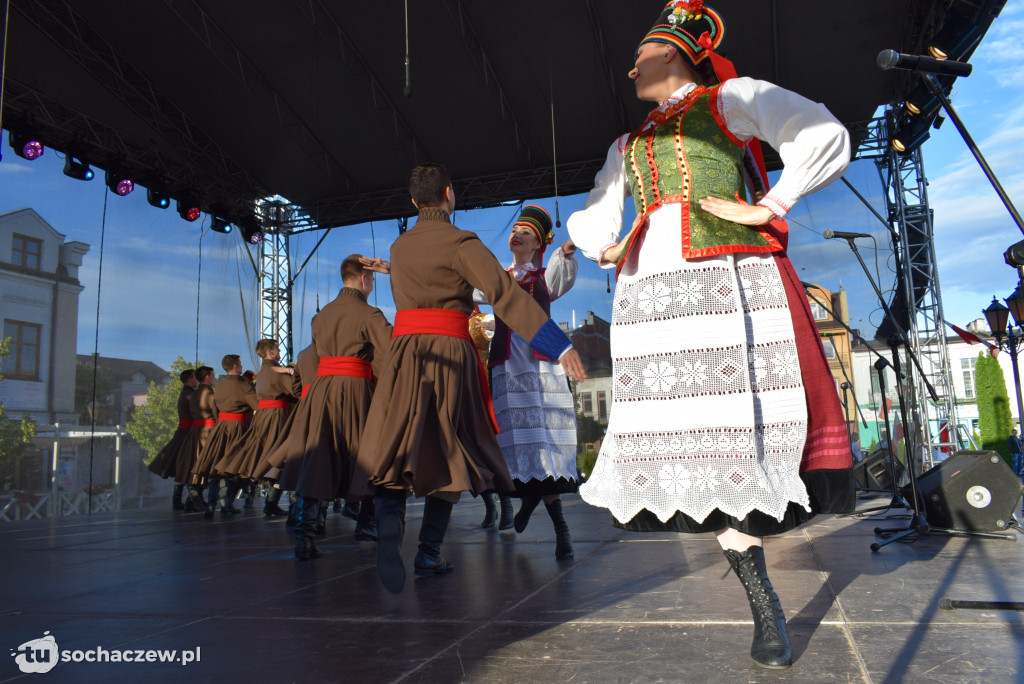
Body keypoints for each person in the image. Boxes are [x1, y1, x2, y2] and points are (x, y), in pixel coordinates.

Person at [566, 1, 854, 669]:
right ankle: (762, 598)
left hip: (727, 281)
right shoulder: (628, 145)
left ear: (671, 51)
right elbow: (597, 209)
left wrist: (773, 202)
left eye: (640, 52)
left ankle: (764, 607)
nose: (630, 64)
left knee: (740, 435)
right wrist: (604, 243)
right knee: (698, 455)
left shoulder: (731, 99)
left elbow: (820, 132)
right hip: (652, 298)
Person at [351, 162, 587, 595]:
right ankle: (428, 550)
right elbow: (503, 294)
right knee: (451, 448)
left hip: (404, 354)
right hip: (447, 352)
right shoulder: (461, 242)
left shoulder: (401, 247)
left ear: (412, 202)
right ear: (448, 194)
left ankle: (389, 519)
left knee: (394, 441)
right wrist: (559, 343)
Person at [475, 204, 580, 558]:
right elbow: (465, 285)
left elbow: (561, 276)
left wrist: (564, 252)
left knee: (546, 441)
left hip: (540, 369)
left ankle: (560, 529)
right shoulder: (498, 278)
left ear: (538, 244)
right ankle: (533, 502)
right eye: (514, 231)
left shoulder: (544, 278)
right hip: (507, 368)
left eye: (526, 233)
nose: (516, 235)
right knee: (520, 445)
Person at [273, 256, 393, 559]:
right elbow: (393, 350)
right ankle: (366, 525)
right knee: (367, 455)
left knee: (317, 459)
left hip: (322, 392)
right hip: (355, 391)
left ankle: (305, 536)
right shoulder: (369, 313)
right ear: (365, 278)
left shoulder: (322, 316)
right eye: (373, 280)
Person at [213, 339, 300, 516]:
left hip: (263, 417)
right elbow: (296, 390)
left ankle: (236, 497)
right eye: (276, 348)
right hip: (276, 417)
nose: (279, 350)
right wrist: (295, 371)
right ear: (269, 351)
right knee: (281, 457)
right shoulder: (276, 371)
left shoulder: (262, 373)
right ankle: (282, 504)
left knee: (260, 458)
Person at [193, 354, 259, 517]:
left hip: (220, 429)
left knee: (216, 468)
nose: (242, 366)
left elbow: (215, 409)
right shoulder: (243, 386)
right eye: (240, 363)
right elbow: (257, 404)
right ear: (236, 366)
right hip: (236, 428)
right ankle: (226, 502)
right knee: (234, 466)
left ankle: (211, 505)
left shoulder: (219, 386)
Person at [147, 369, 198, 511]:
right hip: (187, 432)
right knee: (186, 464)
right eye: (195, 378)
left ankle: (179, 499)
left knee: (181, 464)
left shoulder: (186, 393)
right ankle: (189, 499)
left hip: (183, 432)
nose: (197, 380)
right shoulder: (190, 395)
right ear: (190, 379)